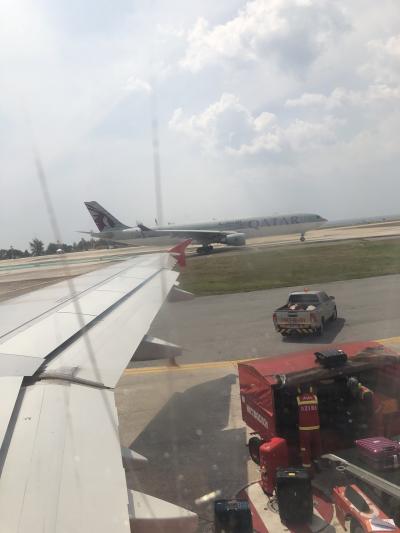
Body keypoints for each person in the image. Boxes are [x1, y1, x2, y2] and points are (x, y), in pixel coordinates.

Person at [297, 385, 322, 471]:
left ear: (300, 390)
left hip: (304, 430)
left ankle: (307, 468)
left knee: (305, 449)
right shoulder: (315, 398)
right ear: (310, 389)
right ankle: (317, 464)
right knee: (316, 447)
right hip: (316, 429)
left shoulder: (298, 399)